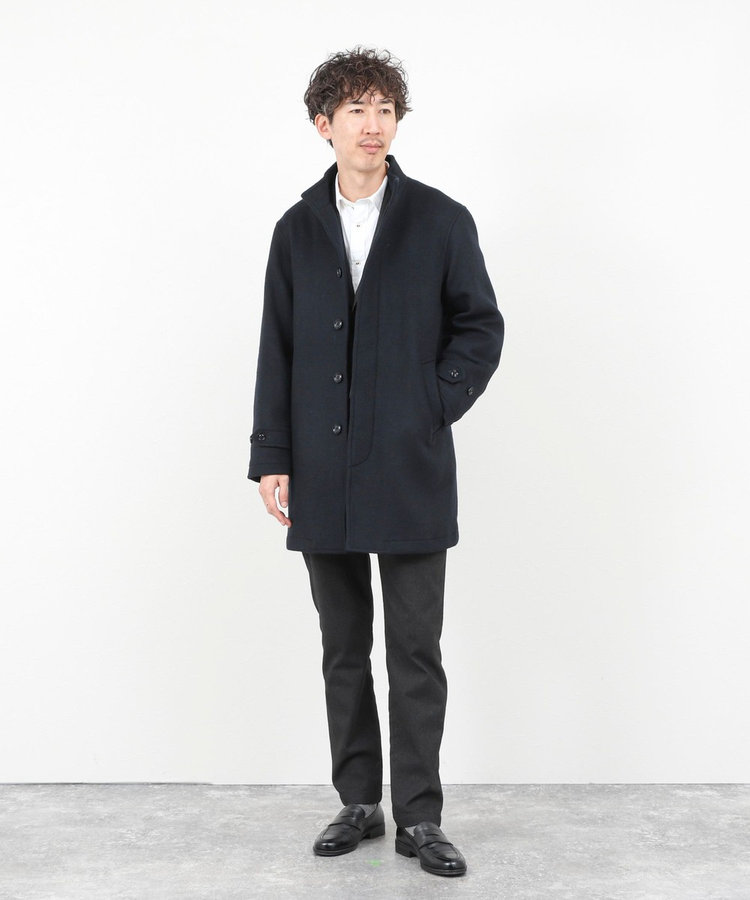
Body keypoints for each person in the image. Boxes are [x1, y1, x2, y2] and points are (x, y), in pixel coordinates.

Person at [247, 47, 504, 878]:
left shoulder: (440, 219)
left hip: (408, 464)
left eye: (385, 108)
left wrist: (431, 403)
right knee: (343, 646)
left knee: (415, 652)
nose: (373, 124)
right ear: (323, 125)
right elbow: (278, 347)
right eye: (356, 109)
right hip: (320, 468)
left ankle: (419, 816)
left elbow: (481, 326)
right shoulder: (296, 230)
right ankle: (358, 801)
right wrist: (272, 456)